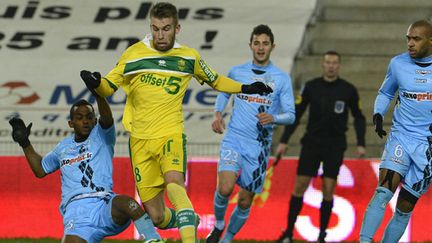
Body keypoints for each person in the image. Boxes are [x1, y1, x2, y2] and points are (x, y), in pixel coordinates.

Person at [78, 2, 273, 243]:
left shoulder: (188, 57)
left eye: (166, 28)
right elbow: (108, 86)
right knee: (157, 216)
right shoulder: (133, 54)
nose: (161, 35)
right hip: (139, 141)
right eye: (156, 28)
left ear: (177, 28)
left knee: (174, 184)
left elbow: (215, 80)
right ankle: (188, 218)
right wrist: (96, 83)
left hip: (170, 134)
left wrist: (244, 87)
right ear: (151, 27)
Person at [9, 94, 164, 242]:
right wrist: (25, 143)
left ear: (95, 121)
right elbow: (40, 169)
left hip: (104, 204)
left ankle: (154, 240)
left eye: (89, 117)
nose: (85, 121)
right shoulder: (63, 148)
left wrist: (98, 94)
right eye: (79, 118)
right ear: (71, 123)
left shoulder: (102, 136)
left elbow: (107, 119)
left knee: (128, 203)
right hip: (76, 213)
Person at [205, 24, 295, 243]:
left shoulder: (281, 78)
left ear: (272, 46)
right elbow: (224, 93)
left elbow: (291, 114)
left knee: (245, 202)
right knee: (225, 188)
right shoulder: (237, 72)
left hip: (259, 147)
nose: (261, 47)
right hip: (234, 138)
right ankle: (218, 225)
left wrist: (273, 118)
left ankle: (227, 239)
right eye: (257, 43)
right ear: (250, 45)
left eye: (265, 43)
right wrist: (218, 114)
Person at [275, 50, 366, 243]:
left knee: (328, 187)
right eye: (328, 62)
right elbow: (296, 114)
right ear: (322, 65)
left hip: (335, 145)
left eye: (334, 63)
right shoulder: (311, 87)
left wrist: (360, 143)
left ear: (339, 66)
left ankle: (322, 235)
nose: (331, 66)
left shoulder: (348, 90)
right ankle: (289, 233)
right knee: (299, 186)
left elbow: (359, 117)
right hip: (312, 143)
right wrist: (284, 140)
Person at [359, 20, 432, 243]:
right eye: (408, 38)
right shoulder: (398, 63)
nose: (410, 43)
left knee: (404, 207)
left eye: (416, 39)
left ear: (430, 41)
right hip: (401, 137)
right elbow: (386, 92)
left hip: (427, 147)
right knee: (383, 191)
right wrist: (378, 114)